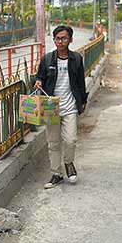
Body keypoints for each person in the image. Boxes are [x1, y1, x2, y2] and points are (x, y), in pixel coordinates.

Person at [34, 25, 88, 189]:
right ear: (54, 40)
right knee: (53, 143)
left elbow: (80, 82)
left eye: (64, 38)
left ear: (70, 40)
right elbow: (40, 77)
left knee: (70, 140)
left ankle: (69, 163)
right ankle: (56, 174)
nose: (61, 41)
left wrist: (83, 101)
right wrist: (38, 82)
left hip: (70, 106)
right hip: (51, 107)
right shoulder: (47, 59)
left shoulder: (76, 59)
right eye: (58, 38)